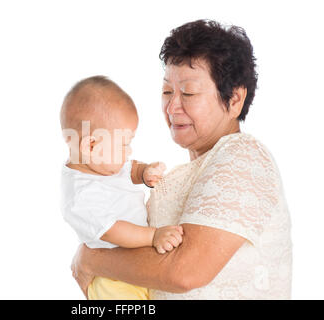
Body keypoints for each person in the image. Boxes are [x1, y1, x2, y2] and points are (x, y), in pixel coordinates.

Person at [71, 19, 292, 299]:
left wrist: (89, 259)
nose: (172, 106)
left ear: (234, 99)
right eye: (167, 91)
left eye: (188, 92)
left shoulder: (243, 156)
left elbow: (185, 272)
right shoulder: (191, 174)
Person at [60, 75, 184, 300]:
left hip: (136, 268)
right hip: (112, 280)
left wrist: (144, 172)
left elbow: (128, 168)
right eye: (124, 144)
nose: (128, 152)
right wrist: (153, 236)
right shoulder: (81, 197)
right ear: (90, 145)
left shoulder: (100, 163)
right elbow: (114, 230)